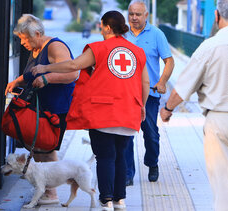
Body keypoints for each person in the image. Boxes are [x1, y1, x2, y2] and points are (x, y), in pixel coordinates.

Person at [31, 11, 150, 211]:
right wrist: (142, 105)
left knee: (105, 157)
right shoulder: (137, 51)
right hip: (128, 112)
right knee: (121, 157)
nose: (100, 30)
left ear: (108, 28)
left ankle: (106, 200)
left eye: (102, 26)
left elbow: (74, 65)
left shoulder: (99, 48)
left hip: (103, 112)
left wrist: (44, 69)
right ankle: (120, 200)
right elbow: (145, 81)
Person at [160, 0, 228, 210]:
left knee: (224, 188)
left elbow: (182, 88)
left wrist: (167, 110)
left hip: (220, 122)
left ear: (217, 17)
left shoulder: (209, 47)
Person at [4, 14, 79, 205]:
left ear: (37, 33)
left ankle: (51, 193)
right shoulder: (36, 48)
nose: (23, 43)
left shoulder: (54, 46)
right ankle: (45, 190)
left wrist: (47, 79)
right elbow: (31, 72)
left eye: (25, 39)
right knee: (37, 147)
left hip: (55, 107)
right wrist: (17, 81)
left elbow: (72, 72)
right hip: (42, 106)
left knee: (46, 148)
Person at [124, 0, 175, 185]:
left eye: (138, 14)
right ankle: (128, 174)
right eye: (131, 14)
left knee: (151, 134)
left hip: (150, 94)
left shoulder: (157, 35)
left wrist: (162, 82)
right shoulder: (122, 34)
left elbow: (169, 61)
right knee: (126, 134)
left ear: (146, 15)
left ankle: (152, 163)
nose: (134, 17)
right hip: (126, 95)